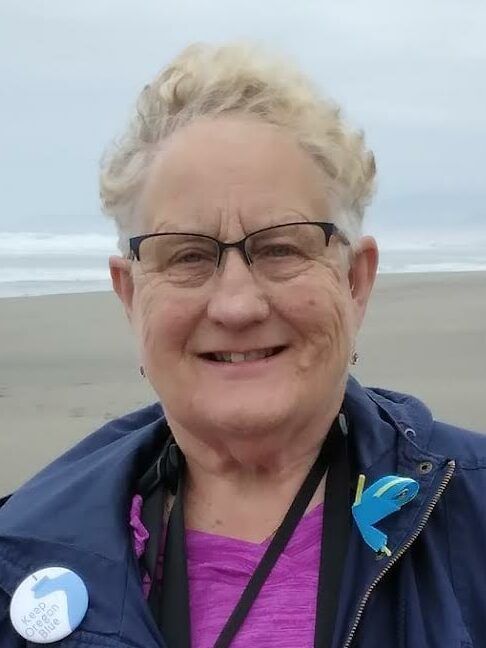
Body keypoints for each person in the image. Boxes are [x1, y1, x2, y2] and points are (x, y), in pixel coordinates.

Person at [0, 42, 484, 648]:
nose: (236, 305)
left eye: (282, 247)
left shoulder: (474, 512)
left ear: (355, 281)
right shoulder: (20, 556)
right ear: (129, 295)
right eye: (187, 255)